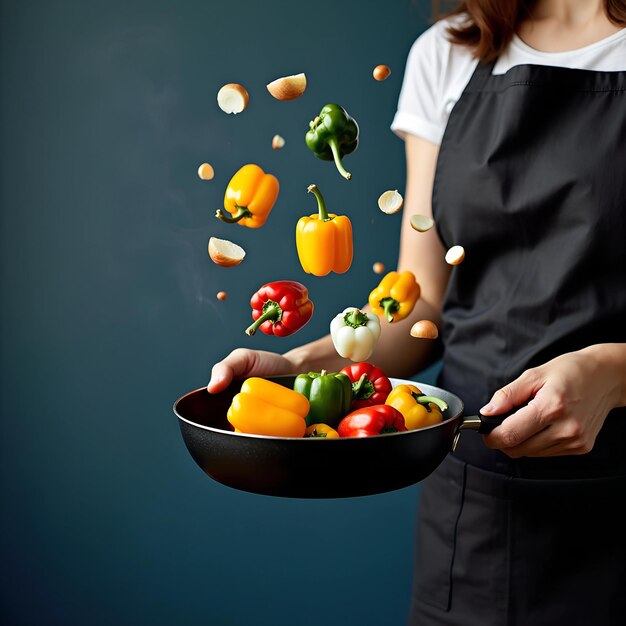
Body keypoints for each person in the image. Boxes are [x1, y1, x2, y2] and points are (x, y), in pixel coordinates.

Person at [208, 0, 626, 623]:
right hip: (480, 513)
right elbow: (420, 304)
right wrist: (300, 366)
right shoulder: (447, 52)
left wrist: (614, 373)